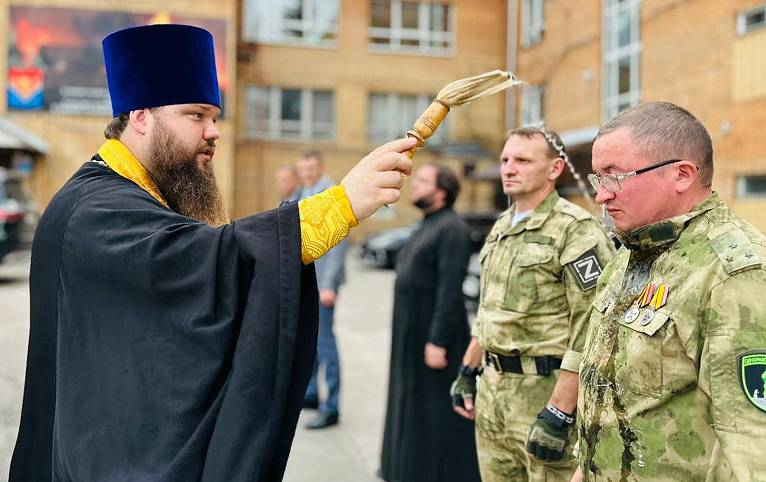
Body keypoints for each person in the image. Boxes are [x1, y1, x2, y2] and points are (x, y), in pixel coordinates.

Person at [9, 24, 415, 482]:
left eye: (215, 117)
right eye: (196, 115)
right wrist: (340, 204)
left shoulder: (118, 194)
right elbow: (202, 259)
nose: (213, 132)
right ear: (141, 115)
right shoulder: (95, 208)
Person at [574, 101, 766, 481]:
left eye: (615, 176)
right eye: (597, 178)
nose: (602, 195)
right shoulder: (630, 257)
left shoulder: (740, 277)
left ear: (682, 174)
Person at [450, 125, 615, 481]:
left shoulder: (577, 229)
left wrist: (561, 410)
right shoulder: (501, 227)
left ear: (554, 169)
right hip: (493, 394)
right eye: (506, 159)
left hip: (544, 395)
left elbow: (593, 326)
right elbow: (489, 309)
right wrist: (468, 369)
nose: (509, 168)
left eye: (523, 160)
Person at [380, 164, 481, 482]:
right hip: (411, 334)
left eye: (422, 180)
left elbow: (451, 289)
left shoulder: (451, 228)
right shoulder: (427, 224)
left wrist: (437, 340)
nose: (414, 185)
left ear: (441, 191)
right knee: (410, 402)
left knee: (434, 413)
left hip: (435, 340)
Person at [297, 150, 349, 429]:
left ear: (321, 167)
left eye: (311, 167)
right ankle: (313, 395)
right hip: (308, 281)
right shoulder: (305, 191)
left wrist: (329, 285)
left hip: (323, 285)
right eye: (303, 168)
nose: (307, 172)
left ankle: (332, 407)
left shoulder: (329, 192)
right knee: (311, 342)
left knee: (326, 346)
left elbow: (340, 242)